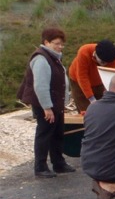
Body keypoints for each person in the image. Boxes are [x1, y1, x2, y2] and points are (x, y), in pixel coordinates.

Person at [17, 26, 74, 178]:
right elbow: (40, 86)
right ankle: (40, 167)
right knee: (44, 134)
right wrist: (47, 108)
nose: (60, 46)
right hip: (45, 104)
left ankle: (59, 163)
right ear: (46, 42)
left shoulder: (53, 56)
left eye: (62, 44)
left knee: (57, 133)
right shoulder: (41, 58)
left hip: (55, 102)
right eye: (56, 43)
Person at [68, 39, 115, 113]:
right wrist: (91, 99)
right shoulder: (84, 52)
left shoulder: (113, 60)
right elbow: (82, 77)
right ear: (95, 53)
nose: (105, 64)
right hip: (78, 81)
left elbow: (108, 78)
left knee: (104, 109)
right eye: (102, 62)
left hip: (99, 82)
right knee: (87, 111)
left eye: (107, 63)